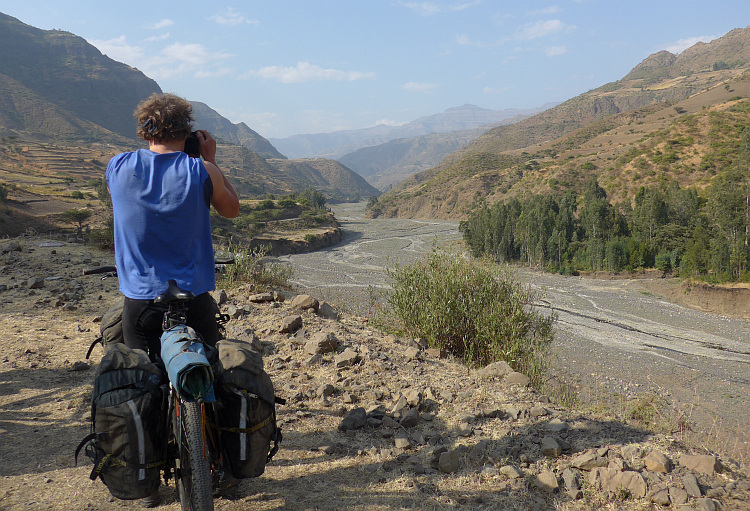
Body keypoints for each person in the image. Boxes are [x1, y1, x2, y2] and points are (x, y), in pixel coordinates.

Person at [106, 92, 239, 360]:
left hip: (141, 300)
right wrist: (209, 159)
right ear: (187, 131)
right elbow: (231, 210)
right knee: (208, 375)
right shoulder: (202, 170)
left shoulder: (117, 166)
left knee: (142, 377)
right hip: (193, 297)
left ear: (144, 131)